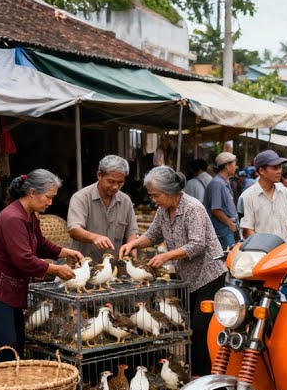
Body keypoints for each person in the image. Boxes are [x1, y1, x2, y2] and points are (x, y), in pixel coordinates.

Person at [118, 167, 227, 377]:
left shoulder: (192, 208)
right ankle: (193, 372)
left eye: (155, 195)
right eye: (151, 196)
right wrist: (133, 244)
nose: (153, 200)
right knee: (187, 327)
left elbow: (197, 244)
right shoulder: (163, 211)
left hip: (208, 275)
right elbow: (153, 235)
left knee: (201, 328)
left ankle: (203, 377)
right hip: (187, 276)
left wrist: (166, 256)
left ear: (170, 191)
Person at [0, 170, 82, 362]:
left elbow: (40, 244)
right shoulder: (13, 218)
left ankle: (13, 385)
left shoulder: (29, 215)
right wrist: (57, 269)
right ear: (32, 192)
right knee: (3, 345)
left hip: (8, 286)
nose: (50, 202)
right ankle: (0, 388)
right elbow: (23, 259)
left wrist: (65, 252)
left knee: (15, 341)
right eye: (48, 197)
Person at [239, 150, 287, 300]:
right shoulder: (248, 197)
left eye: (280, 167)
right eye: (274, 167)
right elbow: (249, 231)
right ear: (261, 170)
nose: (279, 171)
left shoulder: (285, 192)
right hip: (264, 261)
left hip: (286, 258)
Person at [66, 155, 139, 261]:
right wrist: (94, 237)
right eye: (111, 181)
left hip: (113, 268)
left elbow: (132, 232)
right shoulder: (81, 197)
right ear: (99, 175)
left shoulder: (125, 200)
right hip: (83, 266)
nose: (115, 187)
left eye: (120, 182)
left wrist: (132, 254)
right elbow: (74, 230)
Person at [205, 152, 240, 249]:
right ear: (227, 166)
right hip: (223, 230)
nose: (235, 167)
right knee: (227, 258)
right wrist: (230, 224)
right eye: (234, 164)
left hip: (227, 229)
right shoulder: (217, 184)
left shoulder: (224, 182)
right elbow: (216, 209)